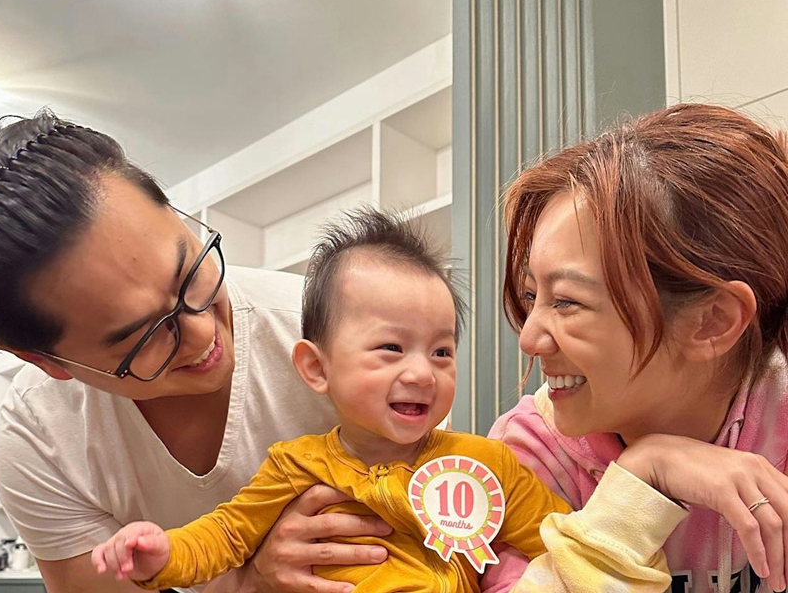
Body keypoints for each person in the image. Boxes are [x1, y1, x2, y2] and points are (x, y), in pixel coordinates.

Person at [90, 208, 683, 593]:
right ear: (316, 368)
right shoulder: (295, 466)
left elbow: (565, 540)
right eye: (391, 348)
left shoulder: (488, 464)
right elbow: (225, 535)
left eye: (442, 351)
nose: (422, 373)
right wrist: (162, 554)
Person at [0, 111, 395, 593]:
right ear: (45, 361)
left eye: (189, 272)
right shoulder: (39, 436)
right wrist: (254, 582)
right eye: (141, 336)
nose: (201, 335)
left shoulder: (335, 334)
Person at [482, 103, 788, 593]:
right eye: (532, 295)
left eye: (566, 301)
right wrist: (642, 478)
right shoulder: (527, 457)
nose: (529, 338)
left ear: (713, 321)